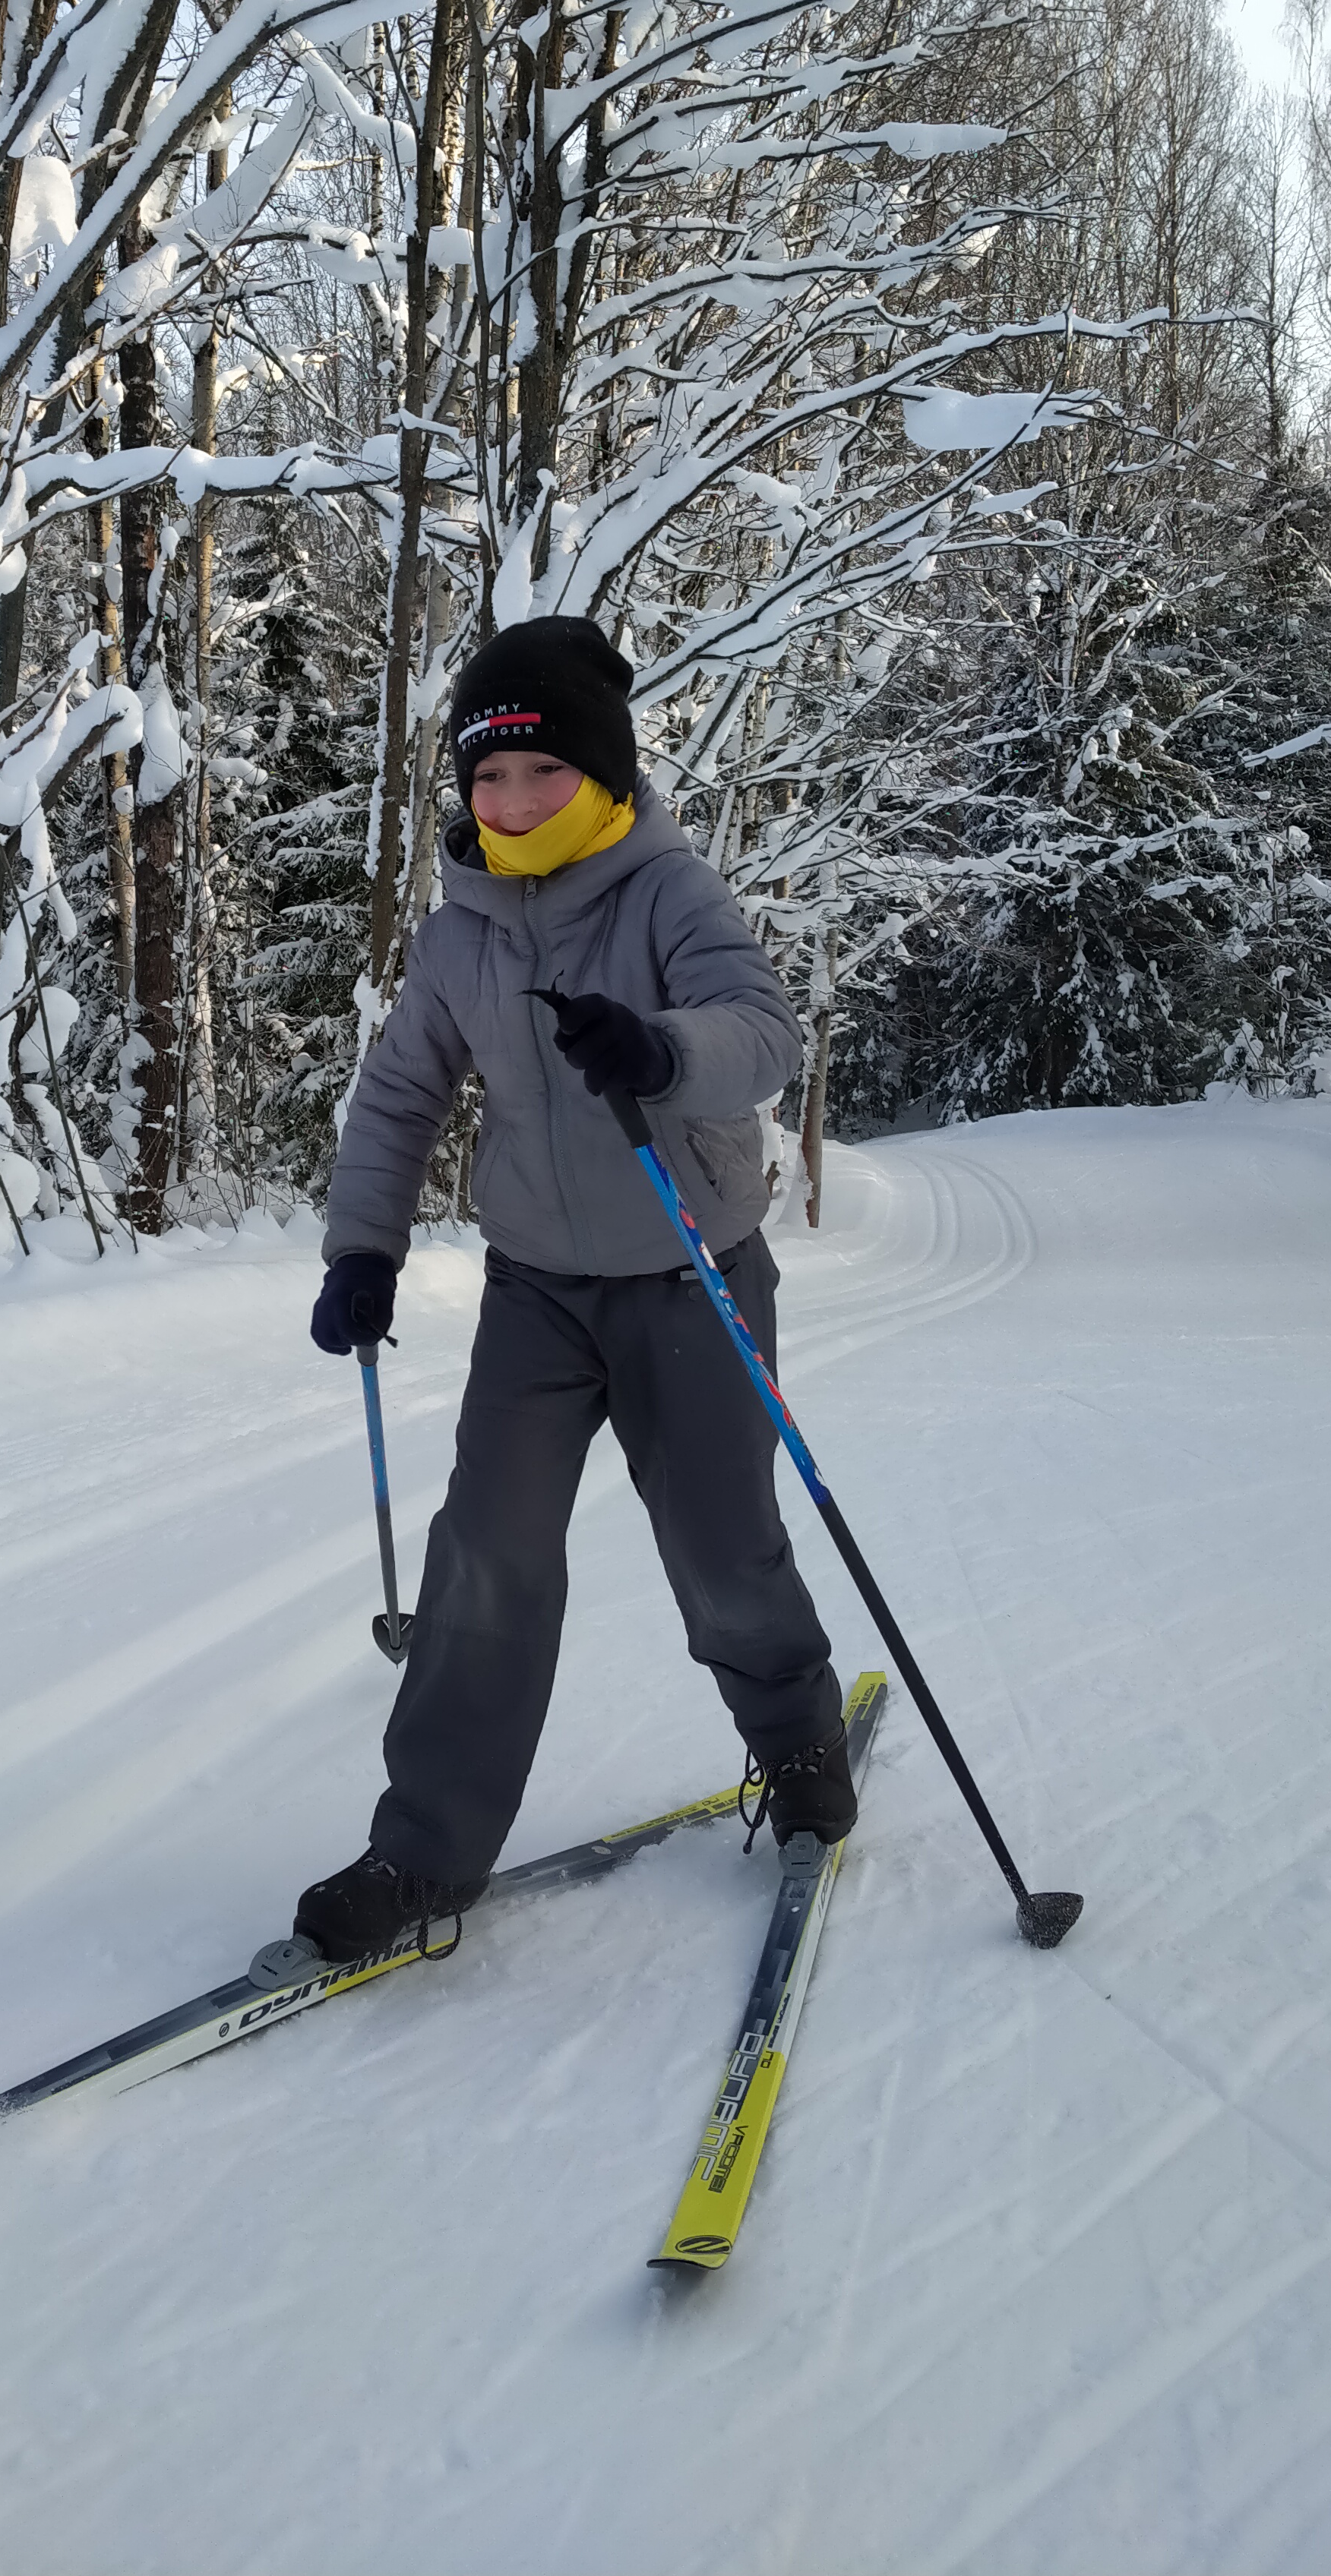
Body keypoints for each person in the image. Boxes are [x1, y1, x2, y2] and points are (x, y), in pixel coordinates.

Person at [290, 614, 850, 1965]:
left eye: (543, 774)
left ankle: (798, 1740)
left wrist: (661, 1050)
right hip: (536, 1291)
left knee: (724, 1552)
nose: (515, 802)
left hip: (690, 1272)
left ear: (601, 777)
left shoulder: (669, 893)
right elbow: (399, 1097)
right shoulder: (457, 932)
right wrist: (362, 1247)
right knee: (486, 1553)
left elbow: (761, 1032)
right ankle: (423, 1850)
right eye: (488, 778)